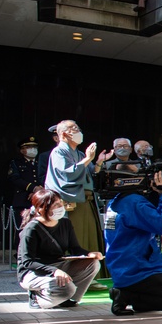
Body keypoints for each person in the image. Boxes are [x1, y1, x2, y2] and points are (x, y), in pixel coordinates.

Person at [105, 171, 162, 315]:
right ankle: (130, 296)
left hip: (128, 265)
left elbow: (148, 218)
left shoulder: (118, 201)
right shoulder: (134, 202)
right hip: (138, 271)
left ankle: (137, 293)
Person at [44, 120, 107, 288]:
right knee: (76, 239)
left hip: (85, 201)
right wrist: (87, 159)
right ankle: (76, 277)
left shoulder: (78, 153)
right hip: (70, 204)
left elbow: (90, 173)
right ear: (63, 134)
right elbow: (67, 175)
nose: (78, 131)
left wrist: (97, 161)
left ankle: (90, 276)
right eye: (74, 129)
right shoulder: (58, 152)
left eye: (78, 128)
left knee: (89, 239)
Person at [17, 188, 103, 309]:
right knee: (67, 288)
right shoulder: (32, 229)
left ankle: (68, 299)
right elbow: (28, 262)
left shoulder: (65, 223)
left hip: (58, 265)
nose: (60, 207)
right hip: (34, 271)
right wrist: (54, 271)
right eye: (55, 205)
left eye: (60, 203)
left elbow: (75, 248)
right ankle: (37, 297)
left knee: (93, 264)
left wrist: (89, 254)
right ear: (41, 209)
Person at [8, 137, 41, 230]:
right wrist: (33, 188)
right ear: (22, 150)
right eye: (29, 147)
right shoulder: (16, 163)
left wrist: (37, 191)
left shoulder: (41, 162)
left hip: (39, 200)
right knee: (22, 229)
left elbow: (45, 177)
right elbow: (15, 179)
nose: (33, 150)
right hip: (23, 201)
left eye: (34, 147)